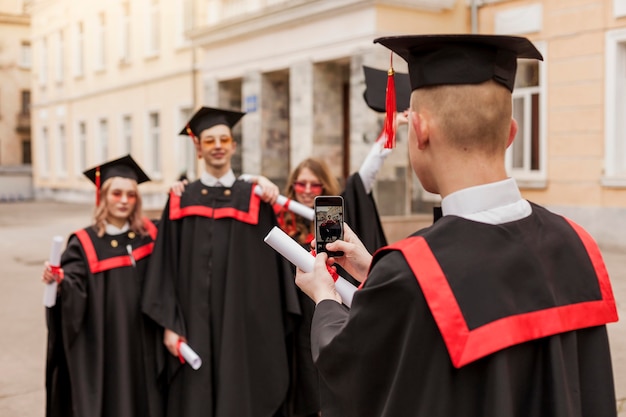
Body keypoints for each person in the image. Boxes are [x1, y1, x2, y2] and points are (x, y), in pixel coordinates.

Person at [295, 34, 620, 417]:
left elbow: (352, 370)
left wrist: (327, 299)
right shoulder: (577, 245)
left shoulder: (411, 272)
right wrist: (375, 272)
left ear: (418, 130)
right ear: (511, 133)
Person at [141, 106, 300, 417]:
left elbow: (273, 275)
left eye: (224, 140)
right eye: (210, 140)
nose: (217, 146)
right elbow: (164, 268)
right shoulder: (180, 200)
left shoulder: (254, 198)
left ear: (233, 146)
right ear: (198, 148)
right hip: (191, 324)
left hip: (241, 327)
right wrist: (169, 326)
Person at [42, 154, 164, 417]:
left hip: (146, 342)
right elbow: (73, 282)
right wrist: (61, 281)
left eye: (131, 195)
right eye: (116, 193)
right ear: (102, 196)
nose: (123, 200)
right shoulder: (84, 243)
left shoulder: (150, 235)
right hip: (108, 344)